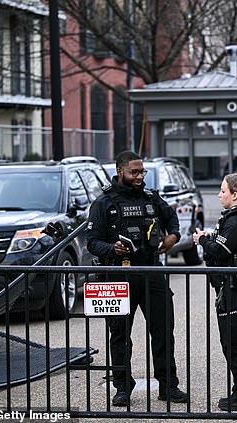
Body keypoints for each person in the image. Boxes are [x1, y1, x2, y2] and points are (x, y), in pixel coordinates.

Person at [86, 150, 188, 407]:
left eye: (142, 171)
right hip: (119, 275)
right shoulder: (103, 203)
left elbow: (172, 218)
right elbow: (92, 243)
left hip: (152, 272)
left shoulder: (151, 198)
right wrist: (112, 250)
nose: (140, 176)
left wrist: (173, 236)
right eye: (135, 172)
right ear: (120, 171)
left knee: (164, 331)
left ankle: (168, 386)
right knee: (120, 334)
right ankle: (122, 387)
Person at [192, 173, 237, 412]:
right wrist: (210, 237)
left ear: (235, 195)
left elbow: (220, 251)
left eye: (223, 191)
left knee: (235, 344)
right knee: (235, 343)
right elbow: (229, 244)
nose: (219, 194)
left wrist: (202, 241)